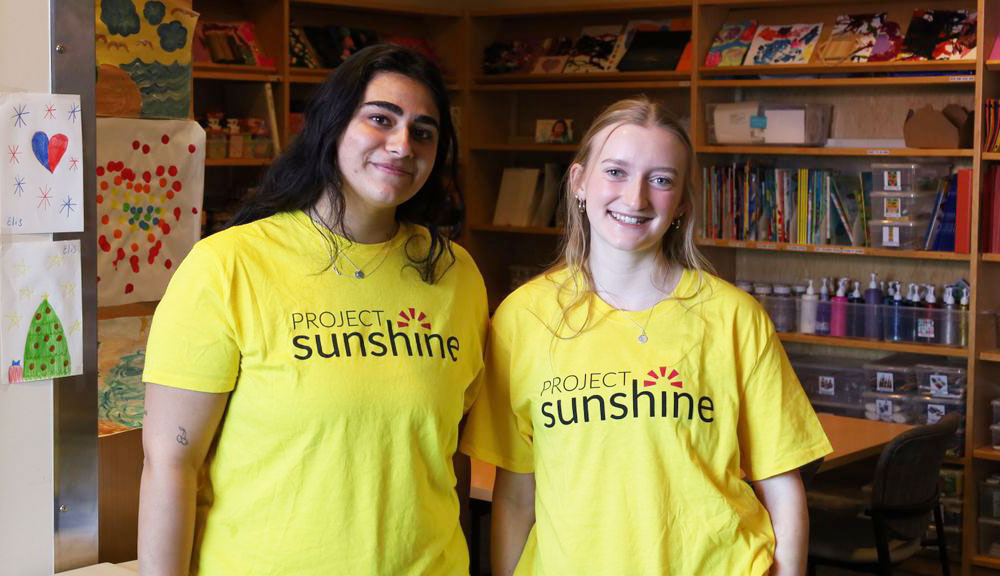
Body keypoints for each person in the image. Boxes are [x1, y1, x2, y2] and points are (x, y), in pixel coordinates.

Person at [138, 44, 488, 575]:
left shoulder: (455, 274)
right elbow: (170, 464)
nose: (402, 144)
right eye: (380, 118)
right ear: (332, 126)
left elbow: (445, 456)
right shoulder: (229, 265)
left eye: (423, 131)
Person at [460, 96, 831, 576]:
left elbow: (782, 485)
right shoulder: (521, 319)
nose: (635, 198)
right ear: (578, 182)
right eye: (615, 171)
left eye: (660, 180)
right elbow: (515, 492)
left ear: (680, 203)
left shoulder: (735, 317)